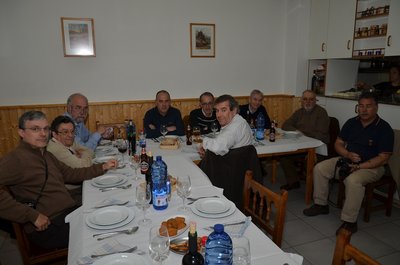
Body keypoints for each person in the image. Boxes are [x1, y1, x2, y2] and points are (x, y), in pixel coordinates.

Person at [0, 111, 117, 249]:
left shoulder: (45, 154)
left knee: (109, 210)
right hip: (49, 226)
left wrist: (102, 167)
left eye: (45, 129)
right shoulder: (16, 159)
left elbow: (72, 174)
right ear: (21, 133)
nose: (43, 134)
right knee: (107, 230)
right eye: (35, 129)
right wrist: (31, 216)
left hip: (67, 213)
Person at [303, 92, 394, 235]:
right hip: (348, 160)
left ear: (376, 108)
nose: (363, 110)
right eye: (361, 106)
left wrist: (359, 166)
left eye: (368, 106)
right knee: (320, 168)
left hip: (372, 166)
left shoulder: (384, 128)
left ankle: (349, 222)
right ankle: (321, 204)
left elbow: (383, 157)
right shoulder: (352, 122)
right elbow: (338, 143)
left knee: (353, 180)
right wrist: (347, 154)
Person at [280, 90, 330, 190]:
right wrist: (297, 131)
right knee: (284, 156)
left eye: (311, 99)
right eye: (305, 99)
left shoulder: (321, 113)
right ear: (301, 101)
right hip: (302, 145)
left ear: (315, 100)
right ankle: (293, 181)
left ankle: (313, 189)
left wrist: (310, 147)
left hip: (317, 147)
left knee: (311, 162)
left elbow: (320, 135)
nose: (308, 102)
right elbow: (285, 125)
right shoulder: (299, 112)